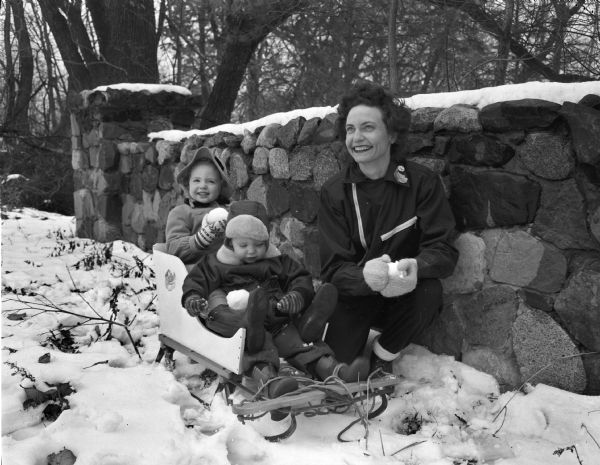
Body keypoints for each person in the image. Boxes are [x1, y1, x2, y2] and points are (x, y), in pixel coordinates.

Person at [181, 200, 369, 420]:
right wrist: (193, 298)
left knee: (299, 342)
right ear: (230, 242)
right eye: (244, 245)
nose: (252, 251)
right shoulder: (216, 264)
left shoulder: (277, 261)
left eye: (259, 245)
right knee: (257, 345)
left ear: (267, 240)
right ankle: (272, 383)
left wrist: (297, 296)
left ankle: (337, 371)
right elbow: (195, 282)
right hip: (241, 325)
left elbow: (300, 277)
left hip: (277, 318)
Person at [318, 82, 459, 374]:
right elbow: (332, 268)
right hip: (355, 295)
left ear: (392, 133)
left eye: (368, 127)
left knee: (430, 292)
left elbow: (443, 250)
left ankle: (383, 354)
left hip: (402, 294)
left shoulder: (422, 182)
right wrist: (364, 277)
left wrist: (417, 266)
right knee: (336, 369)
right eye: (350, 129)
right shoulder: (334, 192)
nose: (357, 137)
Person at [165, 147, 232, 265]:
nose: (203, 186)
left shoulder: (228, 211)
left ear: (220, 186)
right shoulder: (181, 213)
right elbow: (172, 248)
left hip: (227, 268)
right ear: (188, 184)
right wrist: (197, 241)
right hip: (194, 273)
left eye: (211, 181)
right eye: (196, 180)